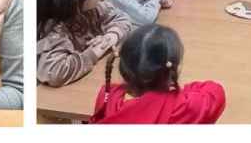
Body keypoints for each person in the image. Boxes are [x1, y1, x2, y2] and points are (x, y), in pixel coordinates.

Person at [90, 24, 226, 123]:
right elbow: (216, 92)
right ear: (170, 70)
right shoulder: (181, 107)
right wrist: (184, 91)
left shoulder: (107, 95)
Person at [37, 0, 131, 87]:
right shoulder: (55, 30)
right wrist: (96, 51)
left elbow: (122, 18)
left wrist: (110, 37)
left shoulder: (91, 10)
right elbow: (54, 73)